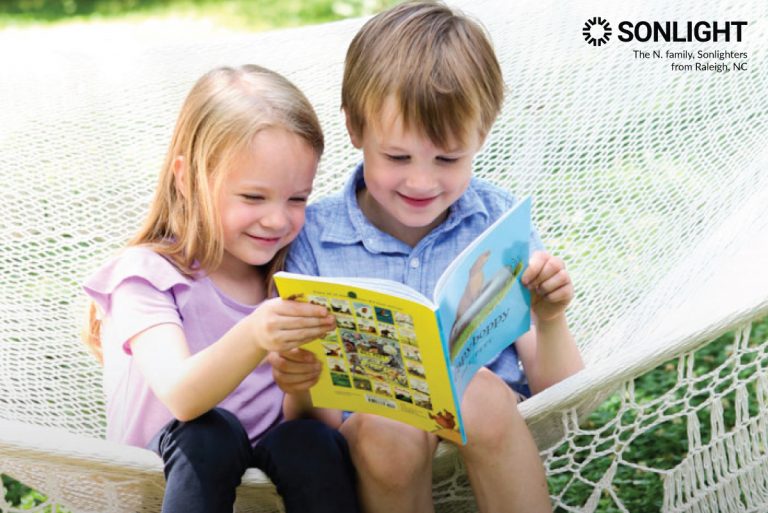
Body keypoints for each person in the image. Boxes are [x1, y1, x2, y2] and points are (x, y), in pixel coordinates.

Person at [269, 3, 584, 512]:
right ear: (355, 131)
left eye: (447, 158)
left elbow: (565, 399)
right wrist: (300, 378)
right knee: (390, 425)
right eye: (397, 157)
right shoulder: (314, 241)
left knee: (475, 389)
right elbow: (314, 428)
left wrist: (548, 320)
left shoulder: (496, 223)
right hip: (376, 445)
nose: (421, 181)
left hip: (494, 428)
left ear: (482, 135)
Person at [82, 65, 359, 513]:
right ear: (188, 180)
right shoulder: (147, 275)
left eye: (297, 199)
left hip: (267, 489)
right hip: (160, 483)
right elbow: (182, 395)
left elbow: (321, 426)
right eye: (253, 197)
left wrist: (301, 383)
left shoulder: (290, 280)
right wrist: (254, 335)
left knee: (309, 440)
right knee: (209, 432)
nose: (277, 219)